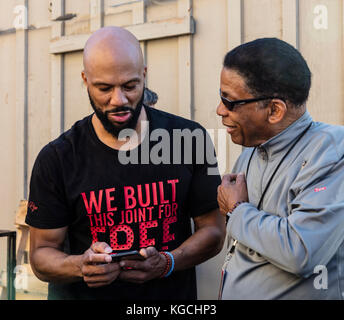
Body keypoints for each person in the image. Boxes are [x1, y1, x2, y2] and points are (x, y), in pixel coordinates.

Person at [25, 26, 225, 300]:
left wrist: (168, 262)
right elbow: (41, 254)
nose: (119, 100)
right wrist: (80, 265)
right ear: (85, 80)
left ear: (144, 75)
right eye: (104, 88)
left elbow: (213, 230)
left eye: (130, 86)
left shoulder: (189, 140)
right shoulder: (57, 159)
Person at [216, 37, 344, 300]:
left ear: (274, 110)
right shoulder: (251, 150)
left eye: (230, 102)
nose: (220, 110)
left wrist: (237, 210)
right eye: (221, 97)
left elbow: (301, 251)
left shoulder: (332, 152)